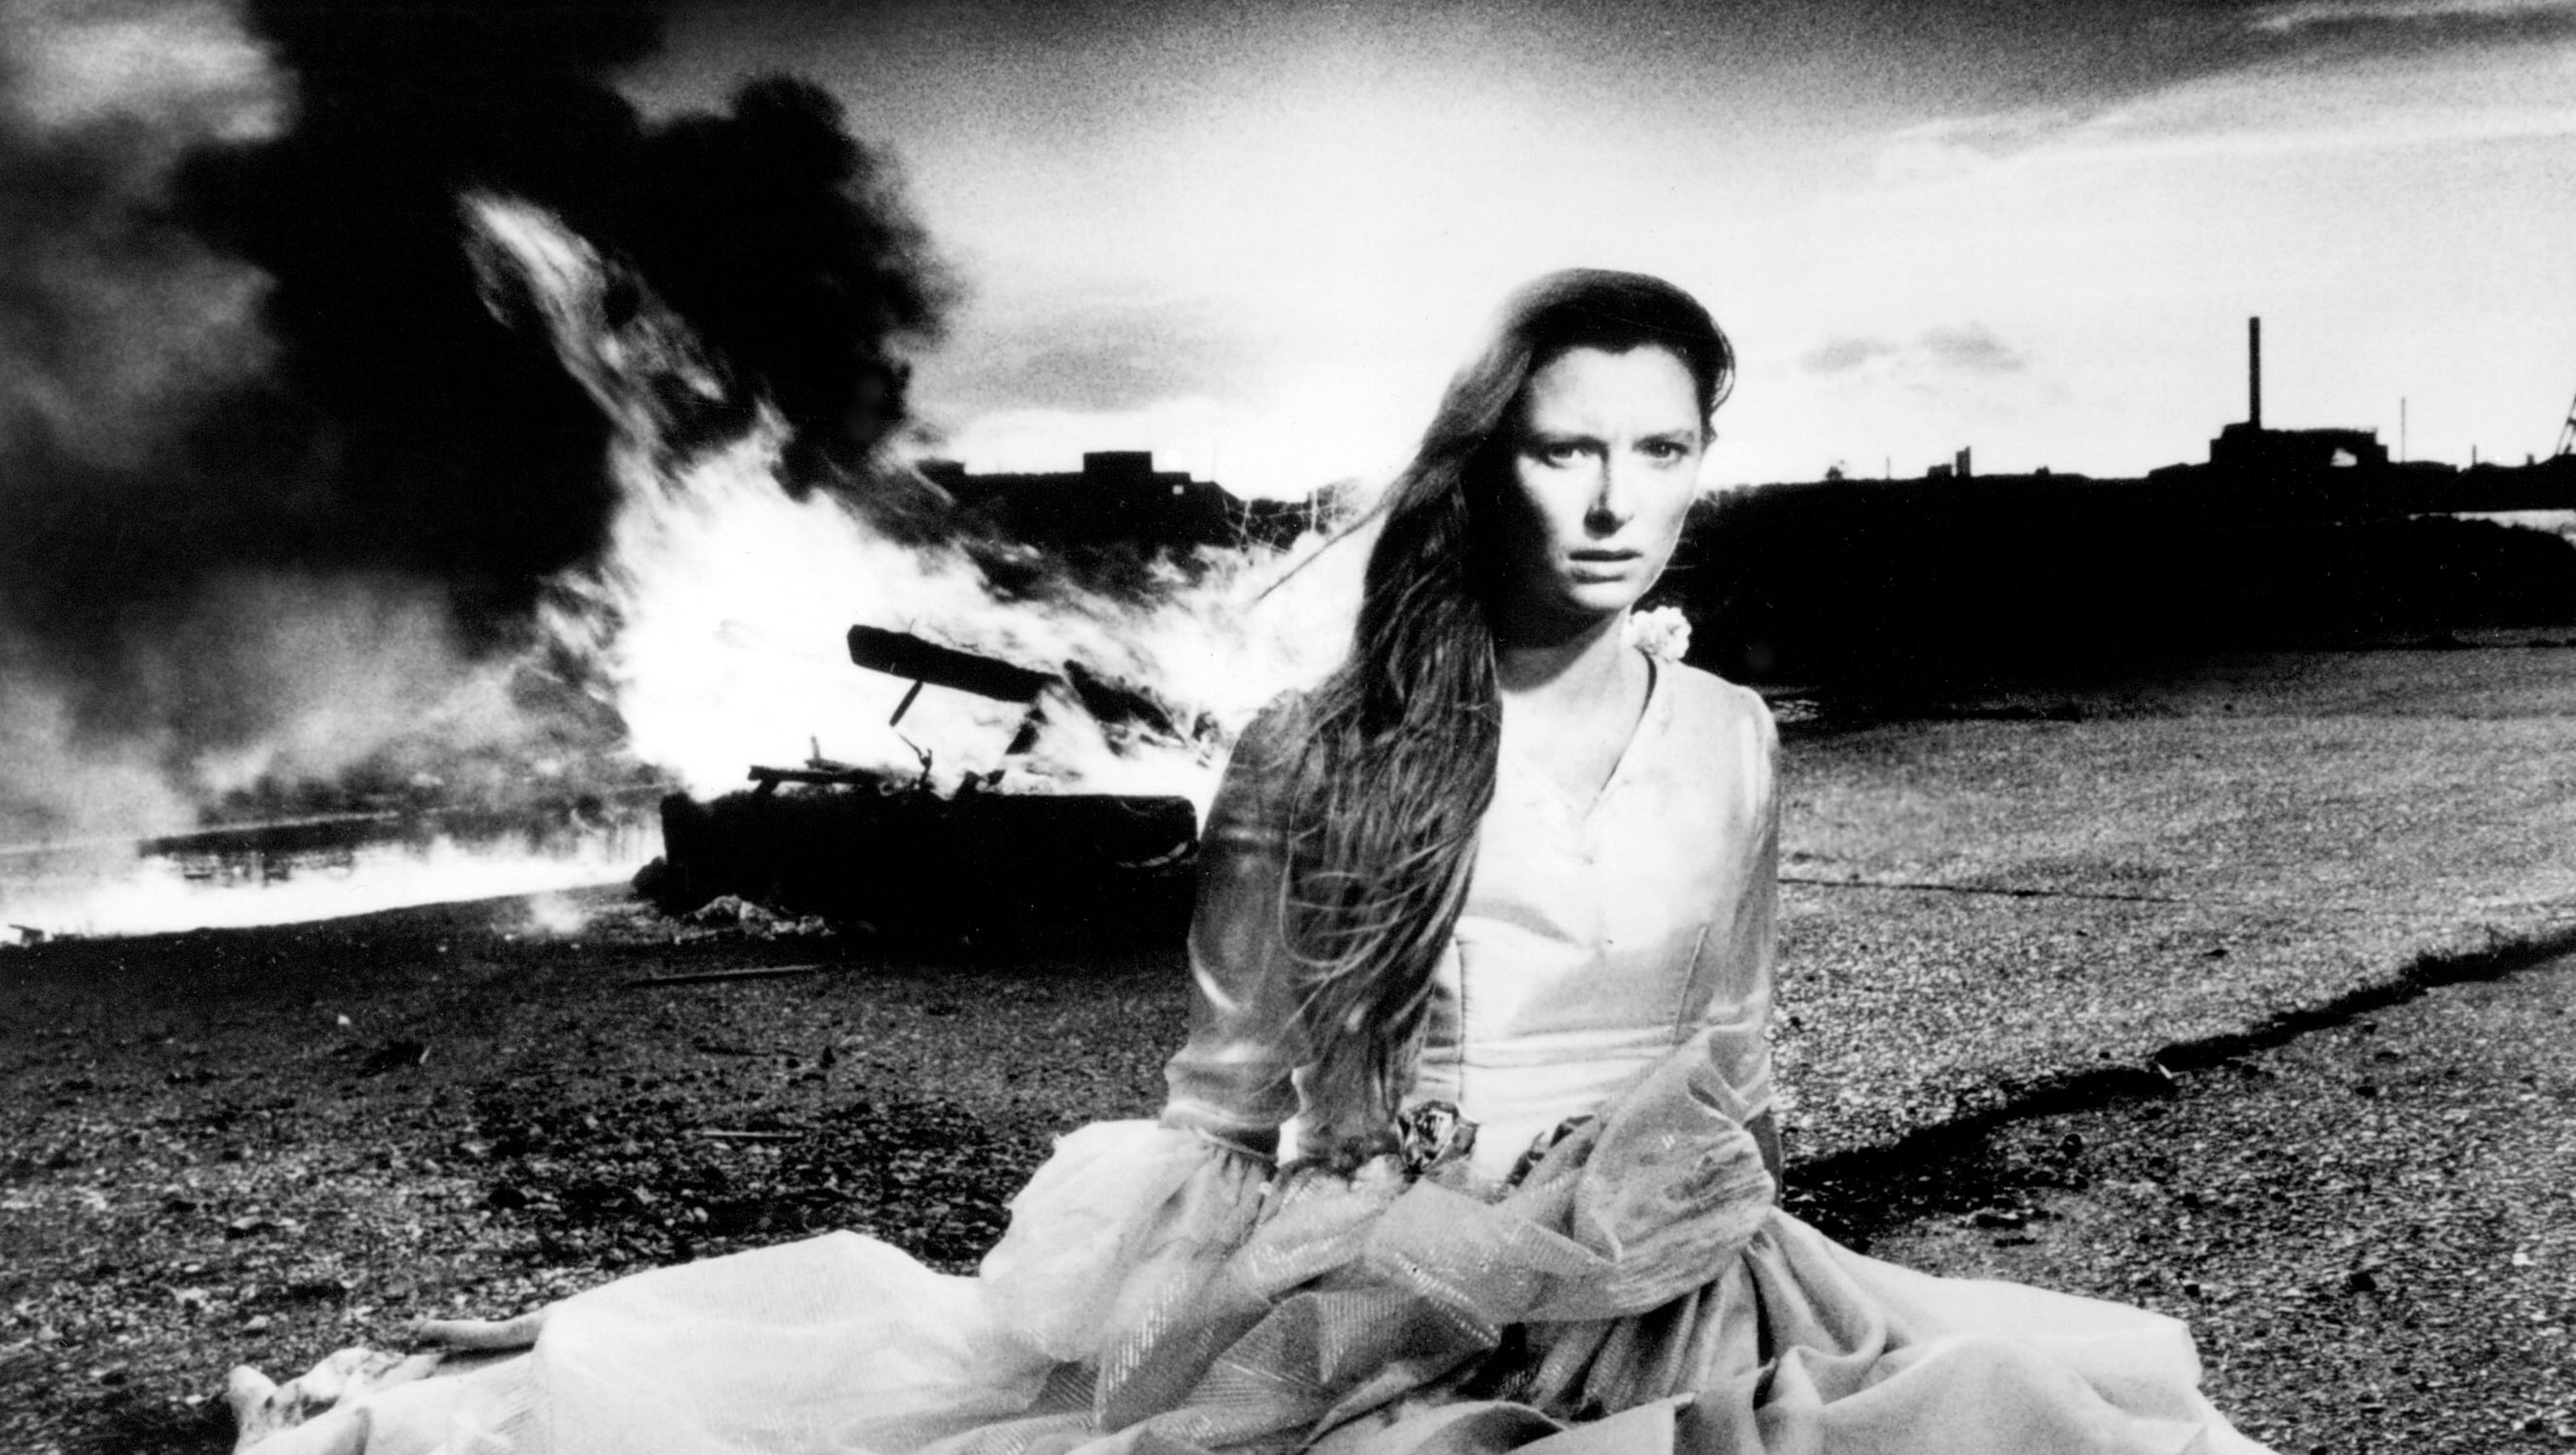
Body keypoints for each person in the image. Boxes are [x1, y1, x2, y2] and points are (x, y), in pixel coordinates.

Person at [230, 269, 2273, 1455]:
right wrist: (1254, 1312)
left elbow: (1734, 1041)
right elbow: (1226, 1099)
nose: (1613, 500)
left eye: (1661, 451)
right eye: (1567, 447)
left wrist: (1710, 1212)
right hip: (1378, 1281)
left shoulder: (1731, 734)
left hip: (1682, 1273)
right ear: (1487, 463)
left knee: (2035, 1416)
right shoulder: (1319, 747)